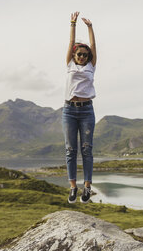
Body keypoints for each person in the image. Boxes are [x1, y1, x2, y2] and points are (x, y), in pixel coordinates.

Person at [62, 11, 97, 204]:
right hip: (69, 110)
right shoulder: (69, 65)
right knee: (70, 150)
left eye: (85, 55)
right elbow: (70, 43)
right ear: (74, 55)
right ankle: (73, 187)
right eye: (79, 54)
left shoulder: (91, 66)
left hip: (86, 111)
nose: (82, 56)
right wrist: (73, 24)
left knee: (87, 150)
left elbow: (93, 46)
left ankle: (87, 187)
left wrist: (90, 27)